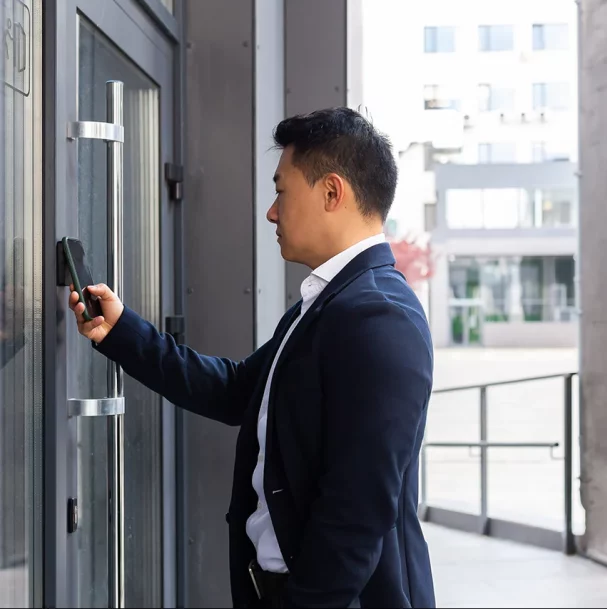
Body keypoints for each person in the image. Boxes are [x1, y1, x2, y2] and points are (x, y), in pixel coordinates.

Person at [69, 107, 436, 608]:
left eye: (281, 191)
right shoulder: (326, 306)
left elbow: (356, 516)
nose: (271, 211)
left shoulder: (380, 319)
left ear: (332, 192)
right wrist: (121, 330)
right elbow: (237, 390)